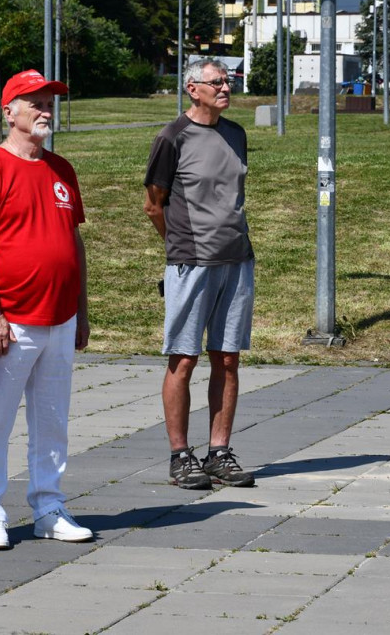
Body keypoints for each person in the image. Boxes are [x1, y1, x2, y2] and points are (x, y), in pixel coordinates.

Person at [0, 69, 92, 550]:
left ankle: (48, 506)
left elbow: (73, 243)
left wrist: (82, 309)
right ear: (8, 111)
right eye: (34, 102)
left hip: (60, 318)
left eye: (49, 101)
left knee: (52, 420)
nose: (44, 110)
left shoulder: (61, 169)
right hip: (12, 321)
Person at [143, 58, 256, 490]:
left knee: (227, 359)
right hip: (191, 262)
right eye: (217, 82)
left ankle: (219, 452)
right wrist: (179, 247)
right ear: (193, 88)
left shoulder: (236, 134)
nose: (225, 88)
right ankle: (180, 456)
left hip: (237, 259)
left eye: (228, 81)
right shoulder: (172, 137)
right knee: (184, 359)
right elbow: (155, 204)